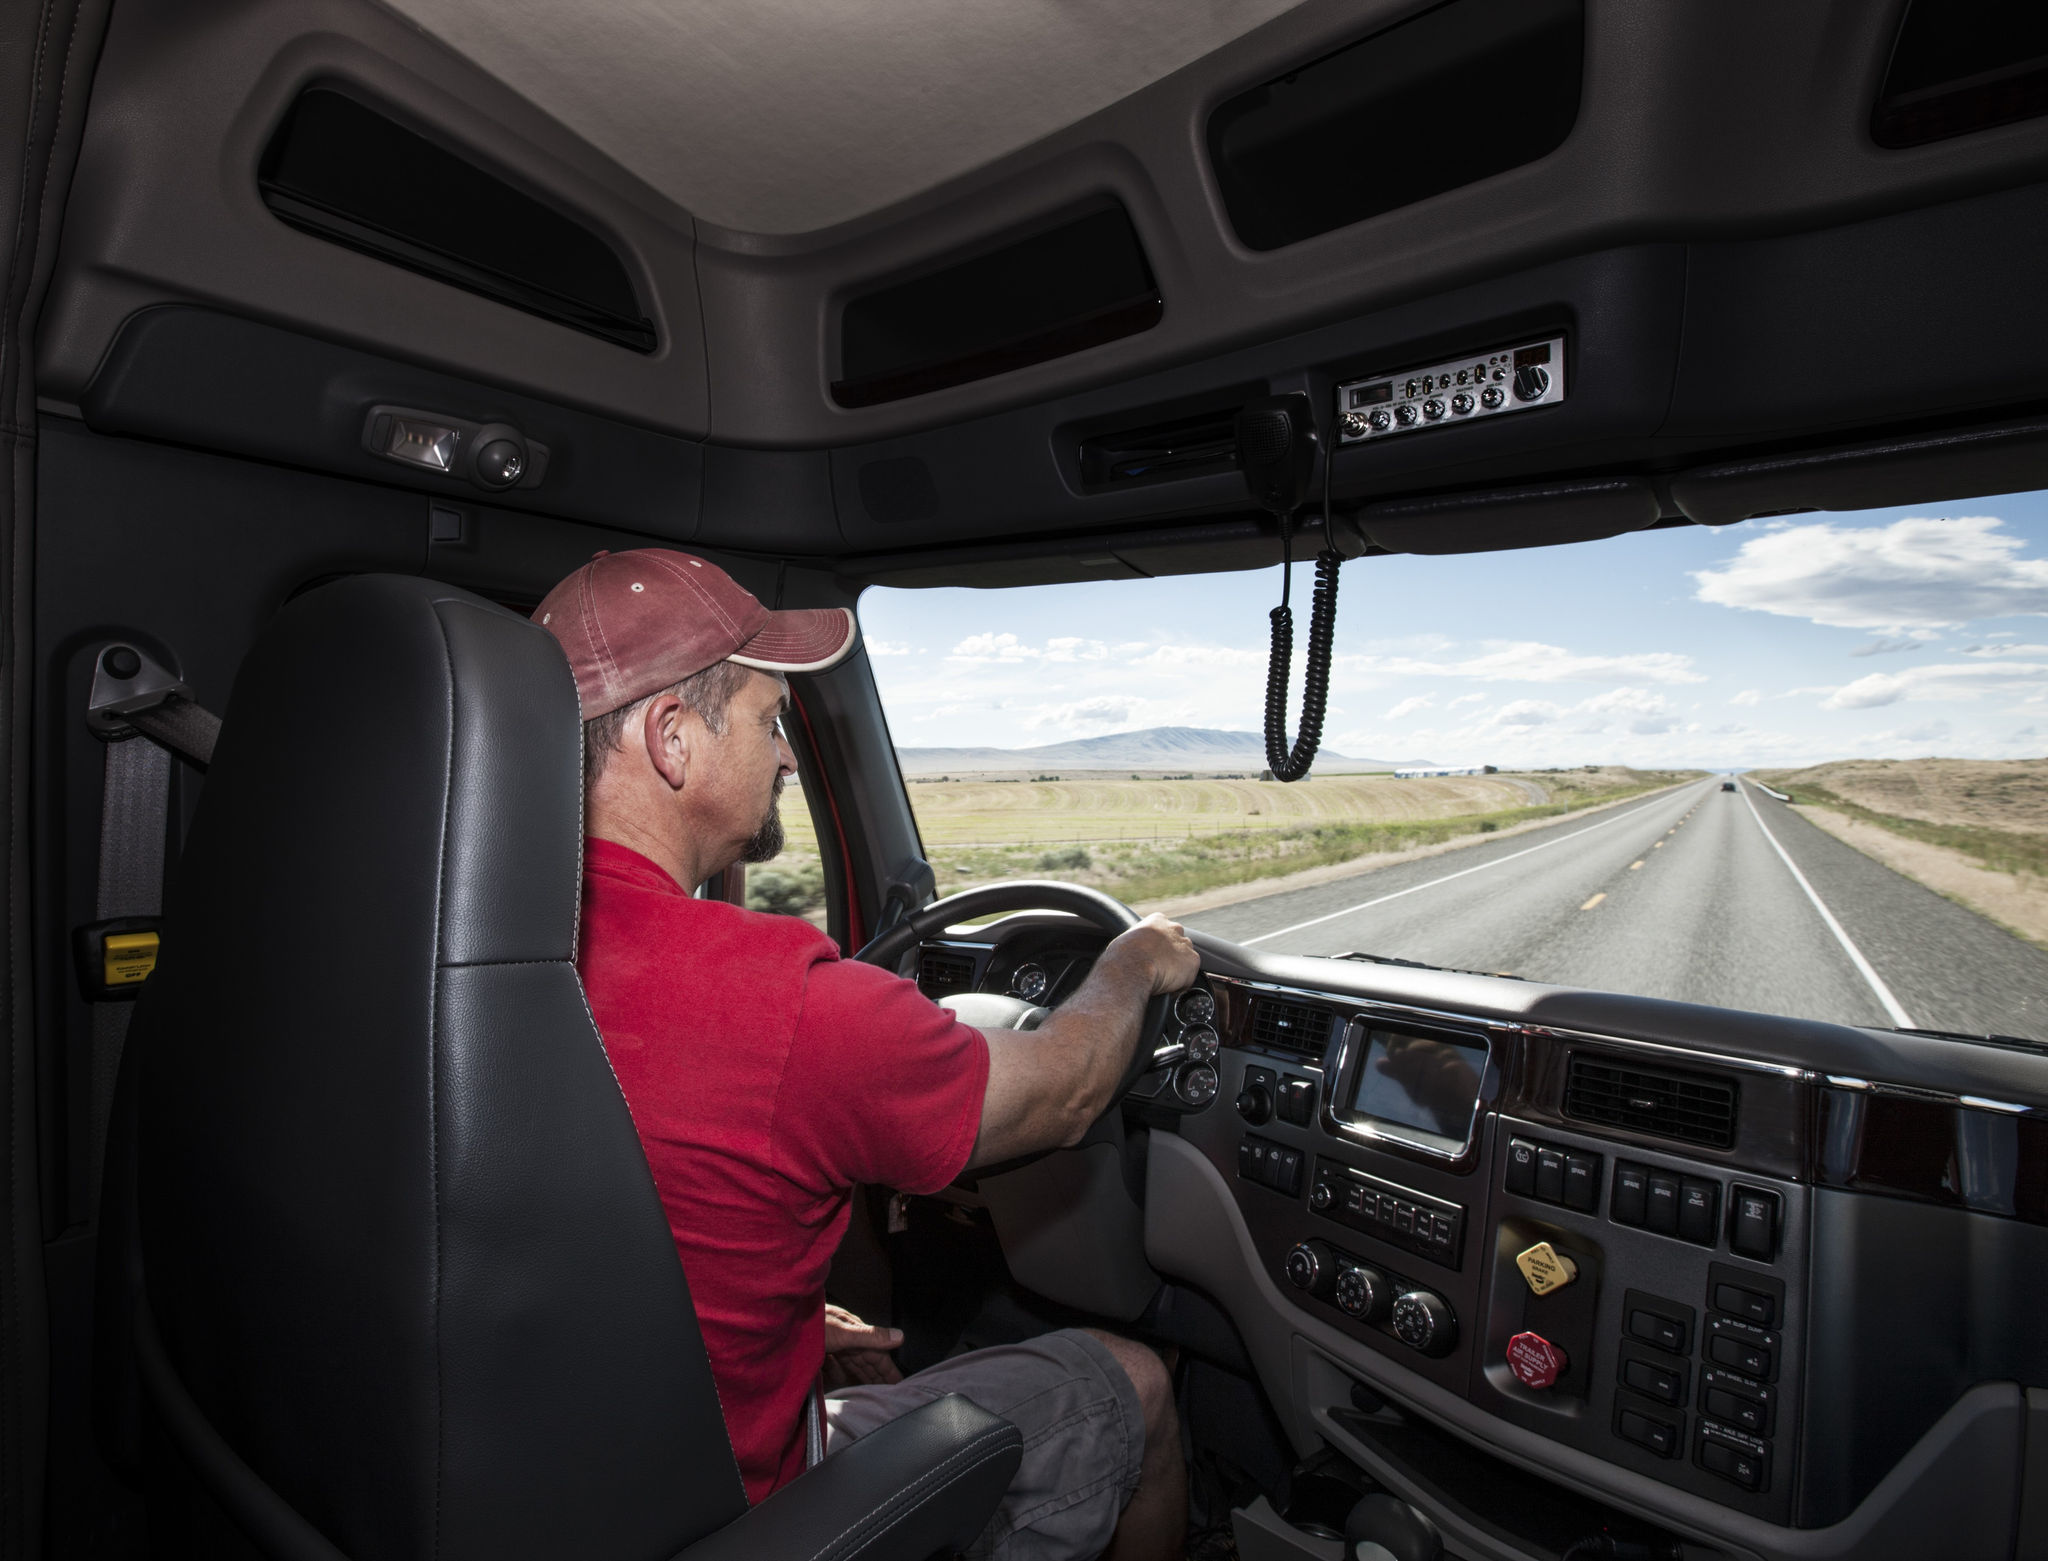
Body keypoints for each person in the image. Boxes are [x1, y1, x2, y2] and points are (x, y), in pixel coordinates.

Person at [534, 547, 1200, 1561]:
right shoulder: (785, 1002)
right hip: (739, 1514)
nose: (790, 757)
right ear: (673, 740)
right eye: (767, 720)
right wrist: (1131, 962)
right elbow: (1064, 1093)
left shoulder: (469, 948)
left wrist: (771, 1341)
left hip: (556, 1475)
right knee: (1135, 1384)